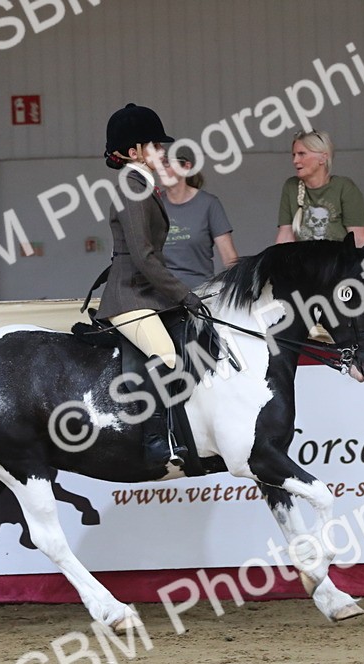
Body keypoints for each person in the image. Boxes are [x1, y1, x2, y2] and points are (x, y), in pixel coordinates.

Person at [96, 103, 204, 465]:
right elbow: (143, 256)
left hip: (146, 293)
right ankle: (157, 441)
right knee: (167, 356)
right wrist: (183, 294)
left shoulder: (142, 183)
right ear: (133, 152)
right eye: (156, 146)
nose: (162, 152)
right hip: (129, 296)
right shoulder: (131, 184)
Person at [274, 130, 364, 248]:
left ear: (323, 158)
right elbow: (285, 237)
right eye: (294, 155)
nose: (295, 161)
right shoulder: (291, 186)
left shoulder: (344, 187)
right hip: (303, 263)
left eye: (302, 154)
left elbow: (360, 239)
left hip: (338, 263)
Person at [162, 146, 238, 288]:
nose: (161, 169)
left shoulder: (209, 204)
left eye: (167, 163)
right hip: (162, 295)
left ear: (186, 167)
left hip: (200, 295)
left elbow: (229, 258)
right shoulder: (154, 204)